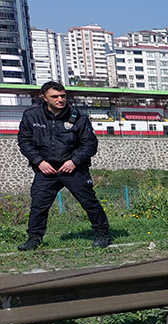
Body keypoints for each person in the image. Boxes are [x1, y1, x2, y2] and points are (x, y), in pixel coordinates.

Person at [16, 81, 110, 250]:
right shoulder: (31, 116)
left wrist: (74, 161)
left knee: (89, 201)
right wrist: (39, 162)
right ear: (44, 98)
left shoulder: (78, 117)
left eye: (63, 96)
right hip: (46, 169)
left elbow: (90, 144)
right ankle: (34, 239)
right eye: (55, 96)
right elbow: (24, 142)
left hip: (73, 168)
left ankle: (102, 234)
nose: (60, 99)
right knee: (38, 204)